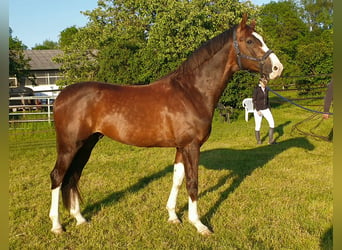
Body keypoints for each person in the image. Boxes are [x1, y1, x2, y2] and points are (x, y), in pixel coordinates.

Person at [252, 77, 276, 145]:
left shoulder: (266, 89)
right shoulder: (256, 90)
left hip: (266, 109)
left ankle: (271, 140)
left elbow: (267, 99)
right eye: (263, 82)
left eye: (265, 82)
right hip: (258, 110)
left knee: (272, 123)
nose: (265, 83)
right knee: (258, 125)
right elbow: (254, 100)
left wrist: (269, 109)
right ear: (260, 82)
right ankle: (259, 141)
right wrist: (257, 110)